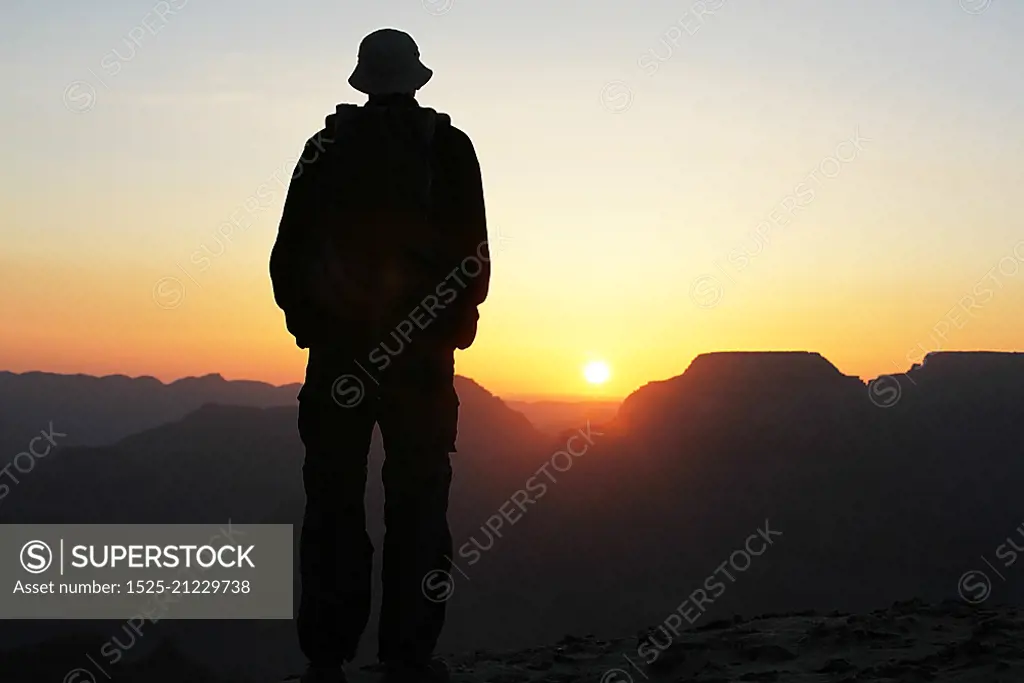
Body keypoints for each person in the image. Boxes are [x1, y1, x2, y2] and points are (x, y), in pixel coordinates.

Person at [270, 28, 489, 683]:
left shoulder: (324, 148)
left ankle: (326, 654)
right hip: (420, 364)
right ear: (418, 81)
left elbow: (287, 255)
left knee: (334, 500)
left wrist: (314, 329)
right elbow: (471, 257)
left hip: (339, 358)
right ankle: (409, 653)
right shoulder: (448, 148)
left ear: (362, 82)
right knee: (419, 504)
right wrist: (450, 330)